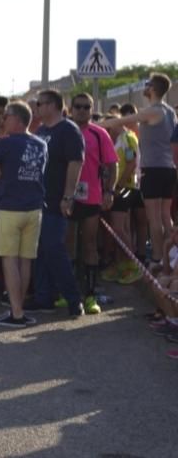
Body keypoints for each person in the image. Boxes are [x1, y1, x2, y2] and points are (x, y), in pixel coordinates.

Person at [102, 73, 176, 272]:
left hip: (153, 170)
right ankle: (173, 257)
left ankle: (158, 260)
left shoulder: (153, 111)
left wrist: (94, 125)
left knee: (154, 218)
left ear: (153, 89)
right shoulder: (170, 112)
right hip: (168, 169)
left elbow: (120, 121)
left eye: (147, 84)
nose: (145, 87)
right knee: (164, 216)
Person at [0, 101, 48, 328]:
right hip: (34, 208)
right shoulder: (41, 144)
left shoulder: (6, 143)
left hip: (10, 208)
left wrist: (4, 173)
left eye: (7, 116)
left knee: (9, 259)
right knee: (25, 261)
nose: (4, 120)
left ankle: (16, 313)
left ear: (18, 119)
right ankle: (19, 308)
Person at [27, 89, 85, 317]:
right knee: (40, 249)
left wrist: (68, 196)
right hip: (38, 199)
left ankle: (73, 298)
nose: (37, 109)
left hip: (58, 199)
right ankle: (44, 297)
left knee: (53, 247)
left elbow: (75, 163)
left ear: (51, 105)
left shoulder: (68, 130)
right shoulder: (41, 130)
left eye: (40, 104)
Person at [66, 92, 117, 314]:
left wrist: (109, 191)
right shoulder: (64, 131)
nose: (82, 111)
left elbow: (111, 165)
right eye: (78, 106)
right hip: (67, 197)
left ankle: (90, 294)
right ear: (71, 108)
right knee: (67, 245)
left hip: (92, 197)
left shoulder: (99, 133)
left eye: (87, 107)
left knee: (89, 244)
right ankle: (68, 292)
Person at [103, 105, 143, 285]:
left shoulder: (127, 138)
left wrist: (118, 185)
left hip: (125, 188)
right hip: (119, 187)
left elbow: (131, 162)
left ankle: (134, 264)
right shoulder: (118, 138)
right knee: (119, 229)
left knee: (119, 228)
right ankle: (122, 265)